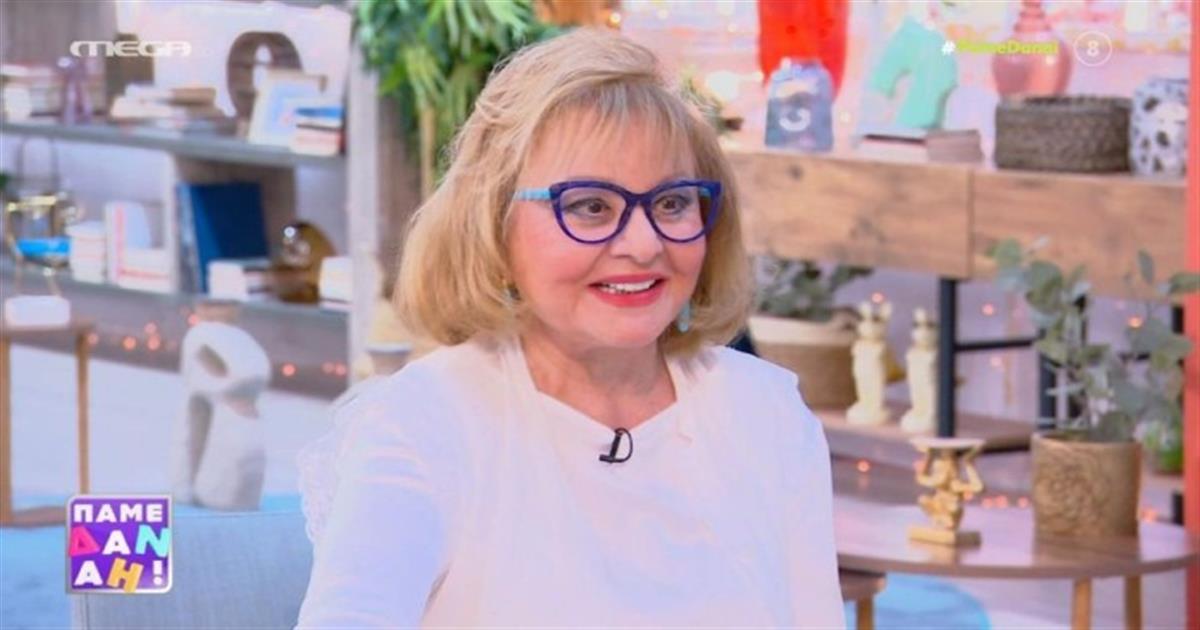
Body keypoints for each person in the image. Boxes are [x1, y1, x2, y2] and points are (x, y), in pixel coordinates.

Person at [295, 27, 845, 629]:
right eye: (590, 206)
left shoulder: (766, 411)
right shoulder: (426, 421)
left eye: (672, 203)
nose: (644, 244)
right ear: (493, 224)